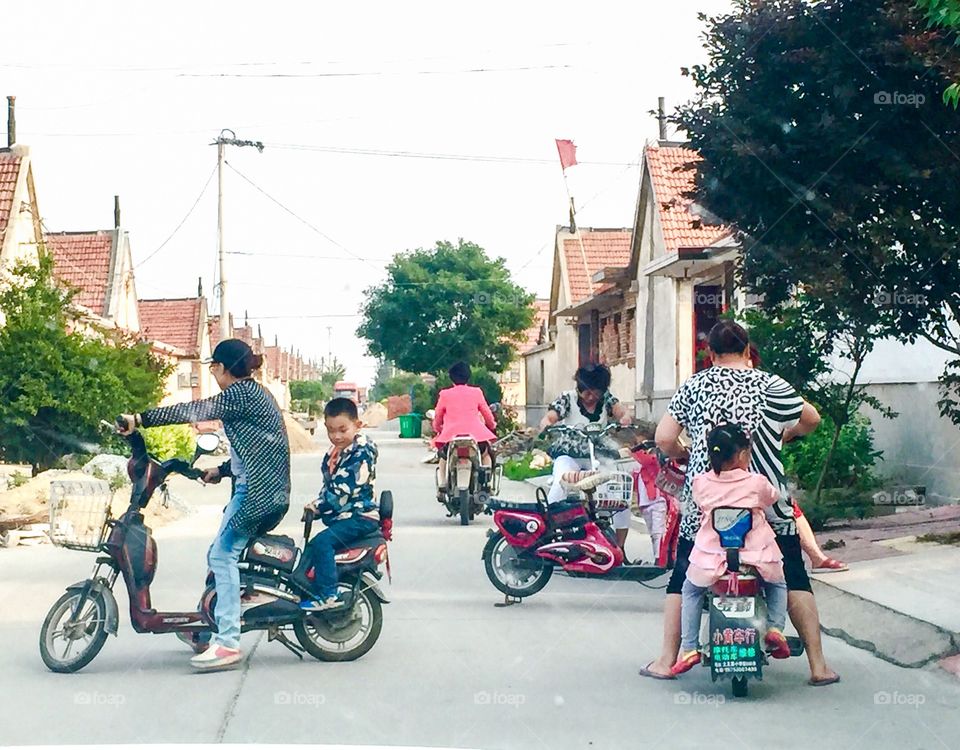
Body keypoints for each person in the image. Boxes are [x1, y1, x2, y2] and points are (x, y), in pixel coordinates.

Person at [639, 319, 839, 687]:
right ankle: (818, 665)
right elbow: (811, 419)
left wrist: (686, 453)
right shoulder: (770, 384)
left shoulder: (695, 385)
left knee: (683, 577)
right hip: (765, 508)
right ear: (748, 350)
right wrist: (788, 433)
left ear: (711, 354)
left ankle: (669, 658)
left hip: (707, 509)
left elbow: (664, 439)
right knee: (792, 573)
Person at [118, 338, 290, 671]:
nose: (212, 373)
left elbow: (192, 411)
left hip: (257, 495)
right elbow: (259, 450)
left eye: (213, 367)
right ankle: (205, 629)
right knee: (218, 554)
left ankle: (227, 643)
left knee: (222, 556)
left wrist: (139, 419)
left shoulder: (239, 394)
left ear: (221, 368)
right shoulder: (256, 394)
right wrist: (221, 470)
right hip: (262, 489)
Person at [672, 423, 790, 675]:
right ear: (742, 455)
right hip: (755, 557)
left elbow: (699, 502)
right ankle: (775, 628)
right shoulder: (756, 483)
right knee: (778, 582)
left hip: (712, 559)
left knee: (690, 591)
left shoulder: (700, 483)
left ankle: (689, 648)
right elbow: (773, 498)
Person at [744, 345, 848, 572]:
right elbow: (811, 419)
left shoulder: (764, 388)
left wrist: (786, 434)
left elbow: (809, 419)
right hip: (738, 485)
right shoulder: (767, 387)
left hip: (762, 481)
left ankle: (814, 557)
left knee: (789, 508)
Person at [291, 397, 379, 610]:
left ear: (357, 425)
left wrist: (319, 506)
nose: (336, 436)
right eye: (331, 430)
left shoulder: (360, 453)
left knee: (323, 543)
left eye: (342, 429)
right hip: (346, 515)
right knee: (312, 546)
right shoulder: (338, 452)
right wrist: (317, 504)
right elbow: (329, 485)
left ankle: (329, 595)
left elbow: (343, 489)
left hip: (360, 517)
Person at [538, 364, 634, 551]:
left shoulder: (607, 399)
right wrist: (546, 424)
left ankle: (619, 548)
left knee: (620, 491)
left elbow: (621, 411)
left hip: (599, 455)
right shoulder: (568, 398)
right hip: (570, 455)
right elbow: (550, 417)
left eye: (595, 393)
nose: (591, 398)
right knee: (561, 483)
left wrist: (625, 418)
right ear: (578, 389)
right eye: (586, 393)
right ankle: (546, 534)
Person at [433, 362, 497, 500]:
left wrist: (438, 429)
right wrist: (492, 425)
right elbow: (487, 414)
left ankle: (443, 483)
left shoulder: (445, 394)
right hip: (476, 437)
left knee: (444, 456)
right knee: (486, 454)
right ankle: (487, 484)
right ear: (468, 376)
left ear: (451, 378)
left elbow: (438, 416)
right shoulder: (477, 392)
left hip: (451, 437)